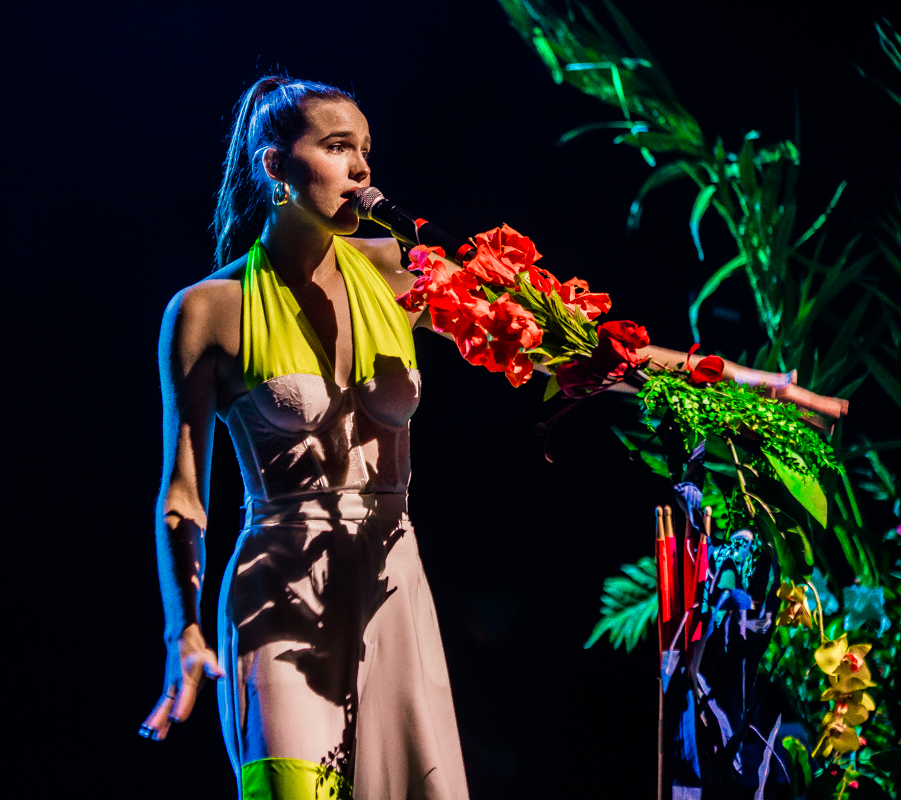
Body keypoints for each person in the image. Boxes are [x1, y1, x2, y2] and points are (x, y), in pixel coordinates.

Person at [139, 75, 841, 800]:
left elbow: (585, 351)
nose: (361, 169)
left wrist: (753, 385)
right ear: (275, 165)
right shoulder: (205, 311)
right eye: (338, 147)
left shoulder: (400, 272)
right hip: (279, 592)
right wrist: (181, 632)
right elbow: (182, 496)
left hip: (391, 578)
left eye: (367, 151)